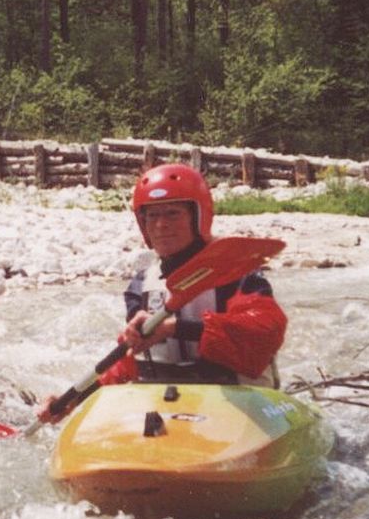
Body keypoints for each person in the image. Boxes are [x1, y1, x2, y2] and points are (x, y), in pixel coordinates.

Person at [38, 163, 286, 423]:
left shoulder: (235, 272)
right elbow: (130, 363)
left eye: (172, 213)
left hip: (237, 402)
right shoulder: (141, 286)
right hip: (167, 408)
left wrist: (177, 328)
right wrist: (75, 400)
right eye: (152, 216)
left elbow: (265, 333)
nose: (161, 225)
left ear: (197, 216)